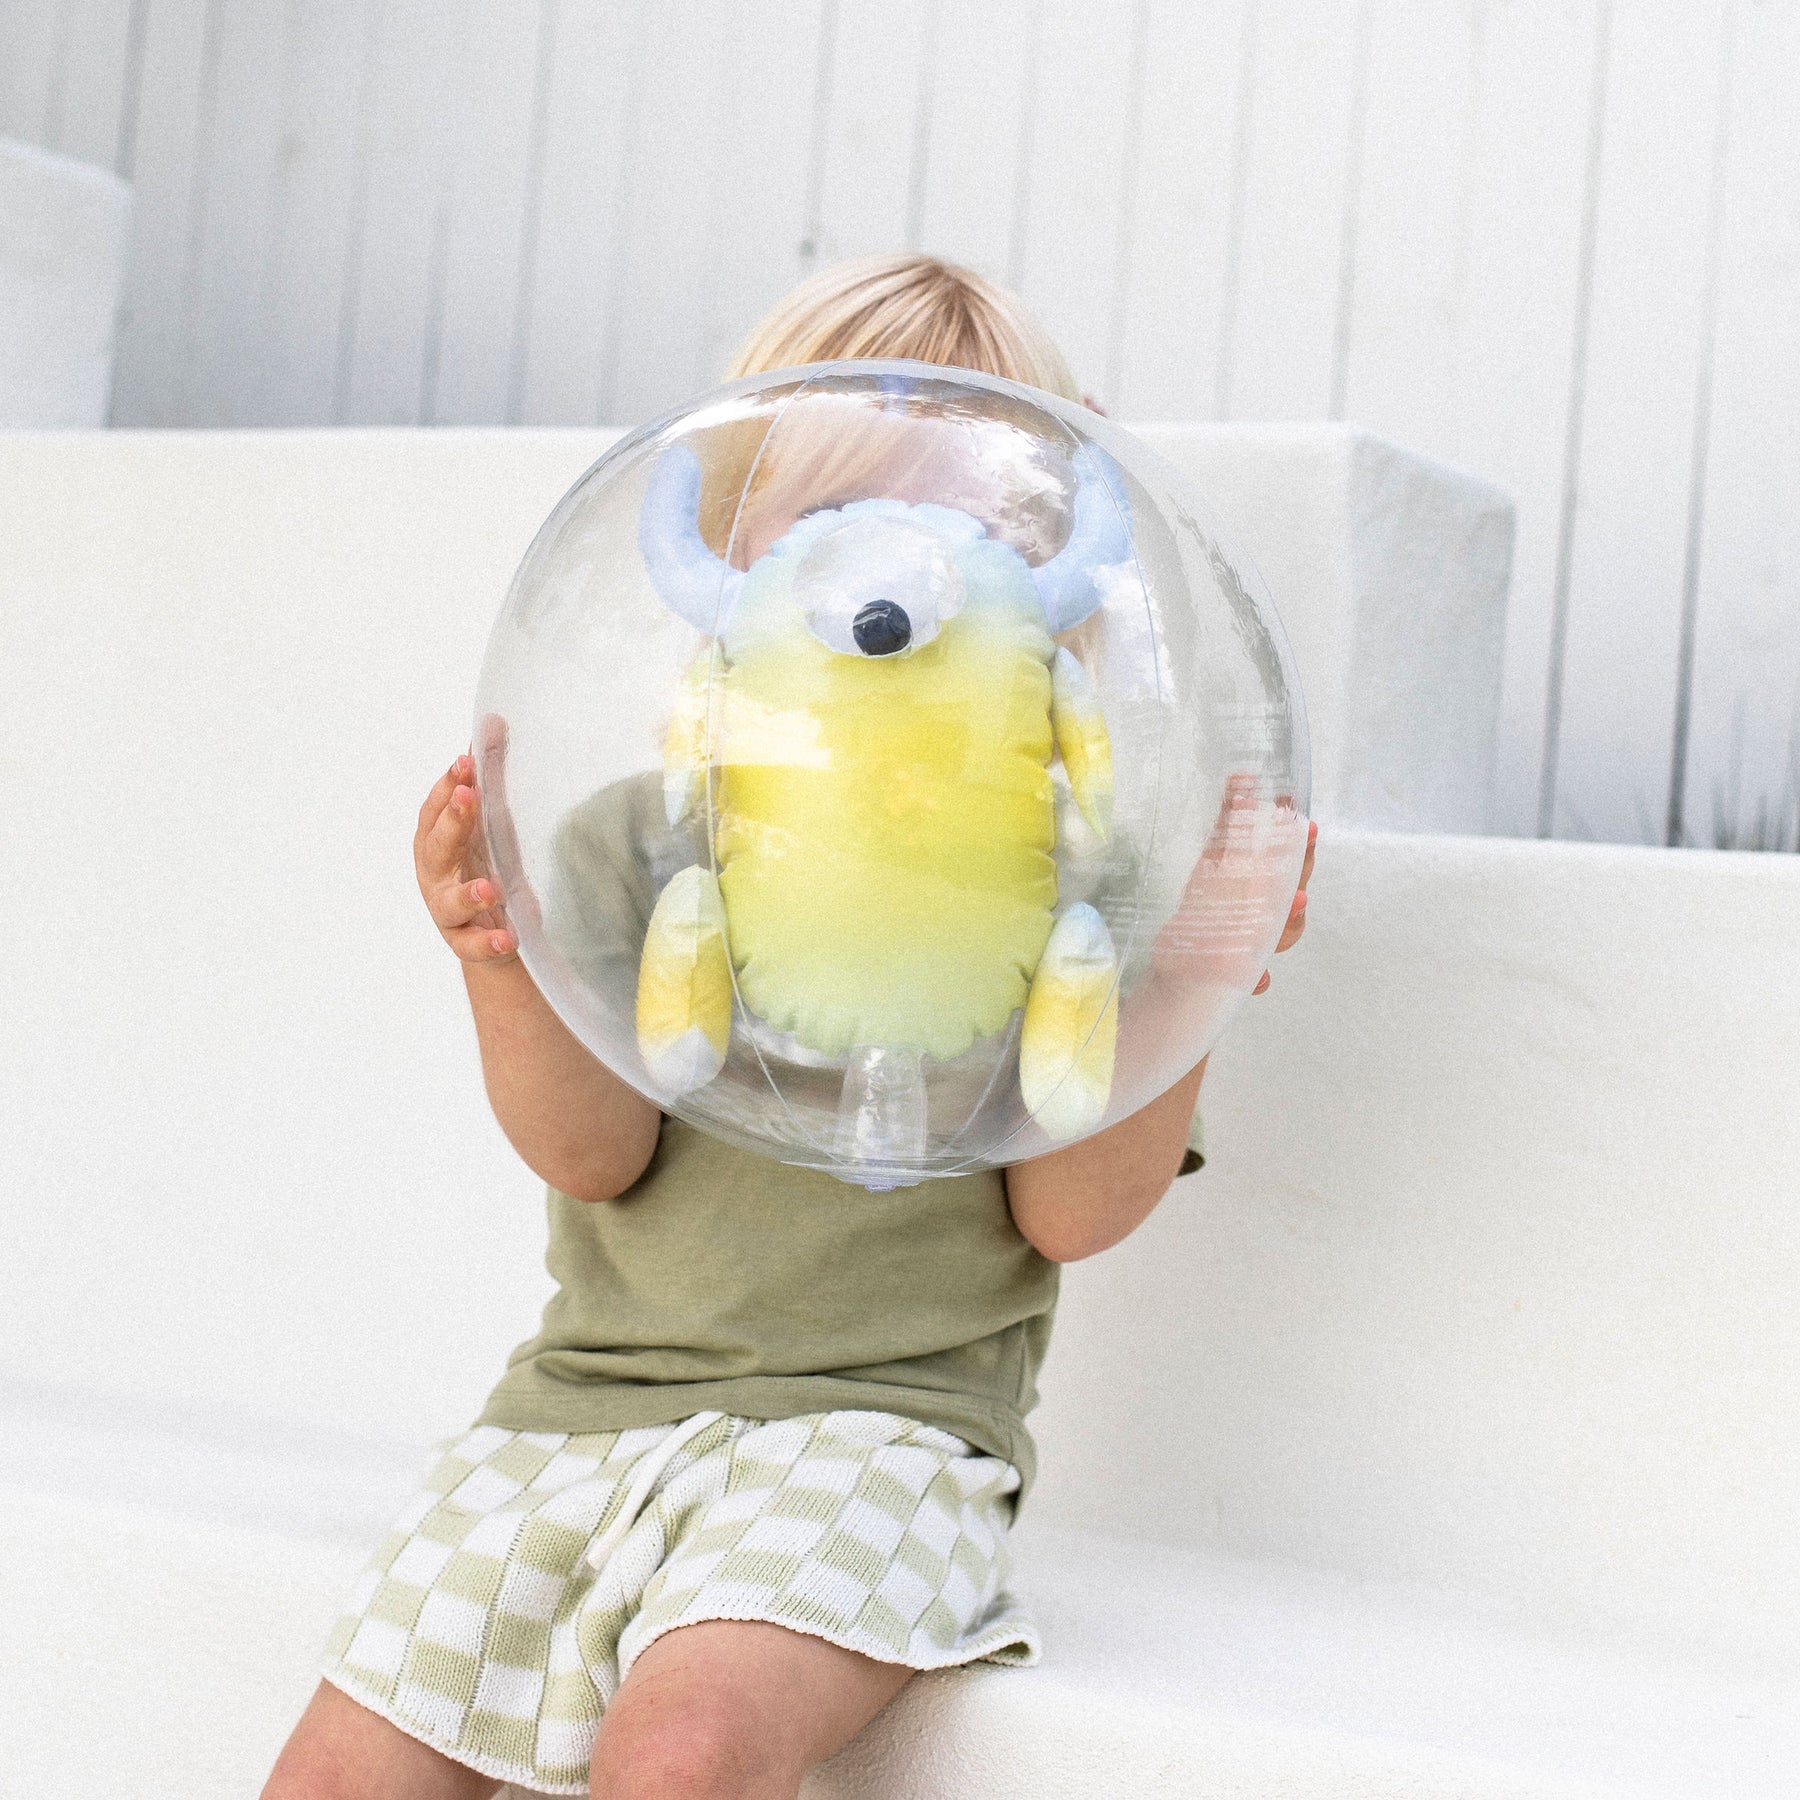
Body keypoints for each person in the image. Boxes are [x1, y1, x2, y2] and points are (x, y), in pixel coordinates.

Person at [263, 253, 1314, 1800]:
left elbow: (1074, 1212)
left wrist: (1201, 967)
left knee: (686, 1756)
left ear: (1044, 577)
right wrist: (500, 953)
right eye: (833, 516)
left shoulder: (1066, 879)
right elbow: (592, 1153)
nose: (896, 584)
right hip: (577, 1416)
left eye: (965, 528)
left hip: (887, 1434)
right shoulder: (641, 837)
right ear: (736, 546)